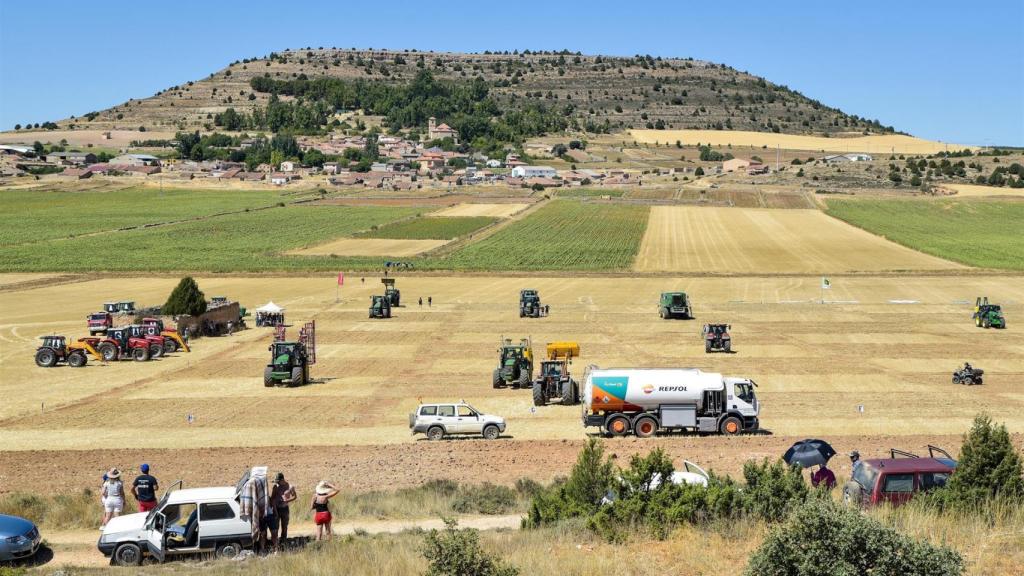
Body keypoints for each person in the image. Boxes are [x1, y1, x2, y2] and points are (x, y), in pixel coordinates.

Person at [271, 472, 297, 545]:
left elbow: (294, 497)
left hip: (285, 508)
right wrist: (274, 510)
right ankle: (275, 544)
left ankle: (283, 542)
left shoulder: (290, 487)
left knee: (284, 526)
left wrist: (287, 500)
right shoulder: (276, 487)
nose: (277, 483)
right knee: (275, 527)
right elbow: (272, 498)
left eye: (278, 481)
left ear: (282, 480)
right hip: (276, 509)